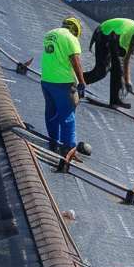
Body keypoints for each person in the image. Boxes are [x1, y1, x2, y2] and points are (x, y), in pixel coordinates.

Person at [40, 17, 87, 161]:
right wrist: (82, 82)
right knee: (67, 116)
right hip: (63, 83)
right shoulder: (70, 38)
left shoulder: (50, 34)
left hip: (46, 80)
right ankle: (69, 149)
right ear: (75, 30)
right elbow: (75, 61)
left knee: (51, 112)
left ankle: (54, 142)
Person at [84, 17, 134, 109]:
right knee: (103, 71)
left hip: (112, 37)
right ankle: (75, 83)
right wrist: (125, 80)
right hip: (105, 34)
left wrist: (128, 82)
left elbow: (126, 59)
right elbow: (122, 61)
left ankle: (115, 100)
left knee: (112, 70)